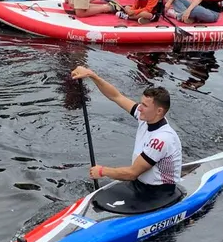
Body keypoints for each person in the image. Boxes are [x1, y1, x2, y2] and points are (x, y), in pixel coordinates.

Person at [69, 67, 183, 204]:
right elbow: (116, 96)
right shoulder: (145, 117)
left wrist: (102, 171)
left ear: (159, 111)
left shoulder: (162, 139)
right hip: (139, 186)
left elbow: (132, 173)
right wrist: (93, 76)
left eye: (145, 106)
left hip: (159, 195)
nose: (139, 108)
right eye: (141, 103)